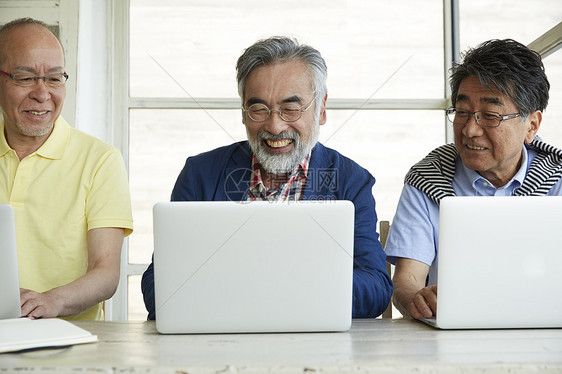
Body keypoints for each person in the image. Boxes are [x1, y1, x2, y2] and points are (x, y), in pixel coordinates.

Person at [141, 36, 393, 319]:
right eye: (259, 109)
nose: (274, 126)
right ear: (243, 111)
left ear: (321, 109)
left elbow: (376, 287)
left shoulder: (351, 181)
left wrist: (275, 289)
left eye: (290, 108)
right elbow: (158, 286)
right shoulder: (200, 174)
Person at [385, 39, 562, 320]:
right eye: (462, 112)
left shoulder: (557, 178)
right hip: (452, 338)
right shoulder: (429, 178)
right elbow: (406, 281)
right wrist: (419, 300)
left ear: (532, 125)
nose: (469, 130)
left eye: (490, 116)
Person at [0, 18, 133, 320]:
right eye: (25, 78)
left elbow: (106, 273)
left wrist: (50, 302)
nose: (42, 93)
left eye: (55, 78)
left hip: (74, 347)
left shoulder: (101, 161)